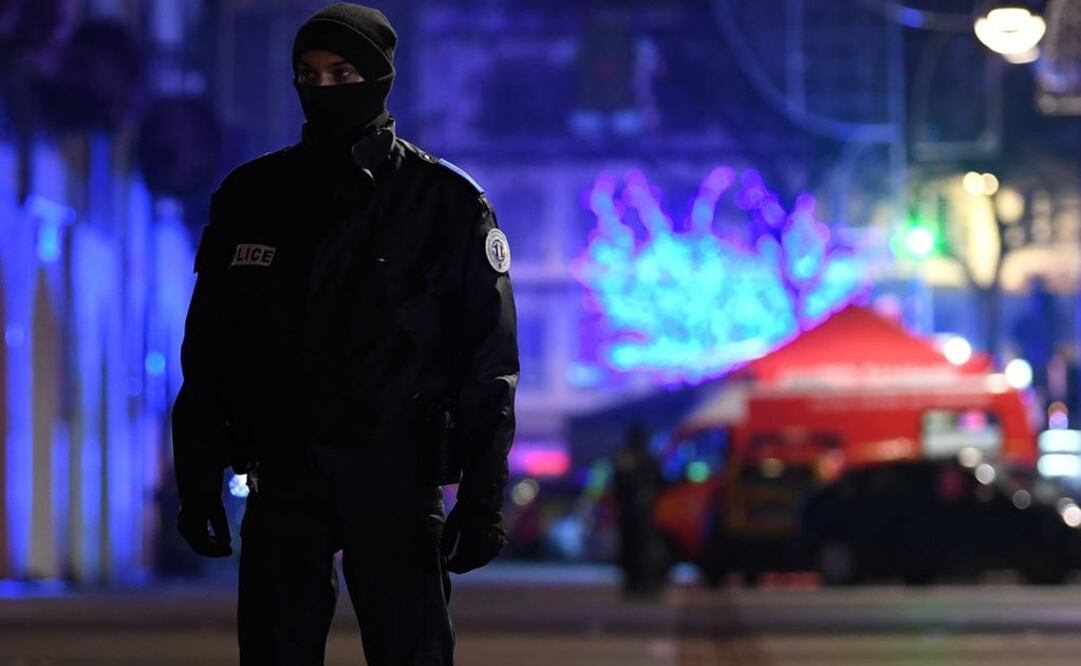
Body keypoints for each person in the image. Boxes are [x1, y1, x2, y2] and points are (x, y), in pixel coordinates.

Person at [170, 4, 519, 664]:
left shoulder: (442, 202)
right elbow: (211, 351)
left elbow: (487, 365)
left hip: (395, 476)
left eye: (342, 73)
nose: (324, 89)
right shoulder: (253, 196)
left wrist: (482, 501)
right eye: (309, 74)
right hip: (284, 473)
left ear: (380, 78)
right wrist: (197, 482)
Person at [611, 425, 666, 598]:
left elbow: (617, 482)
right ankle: (640, 583)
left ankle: (637, 583)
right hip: (638, 512)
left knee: (636, 548)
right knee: (639, 548)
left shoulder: (626, 457)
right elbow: (659, 482)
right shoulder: (643, 458)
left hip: (634, 512)